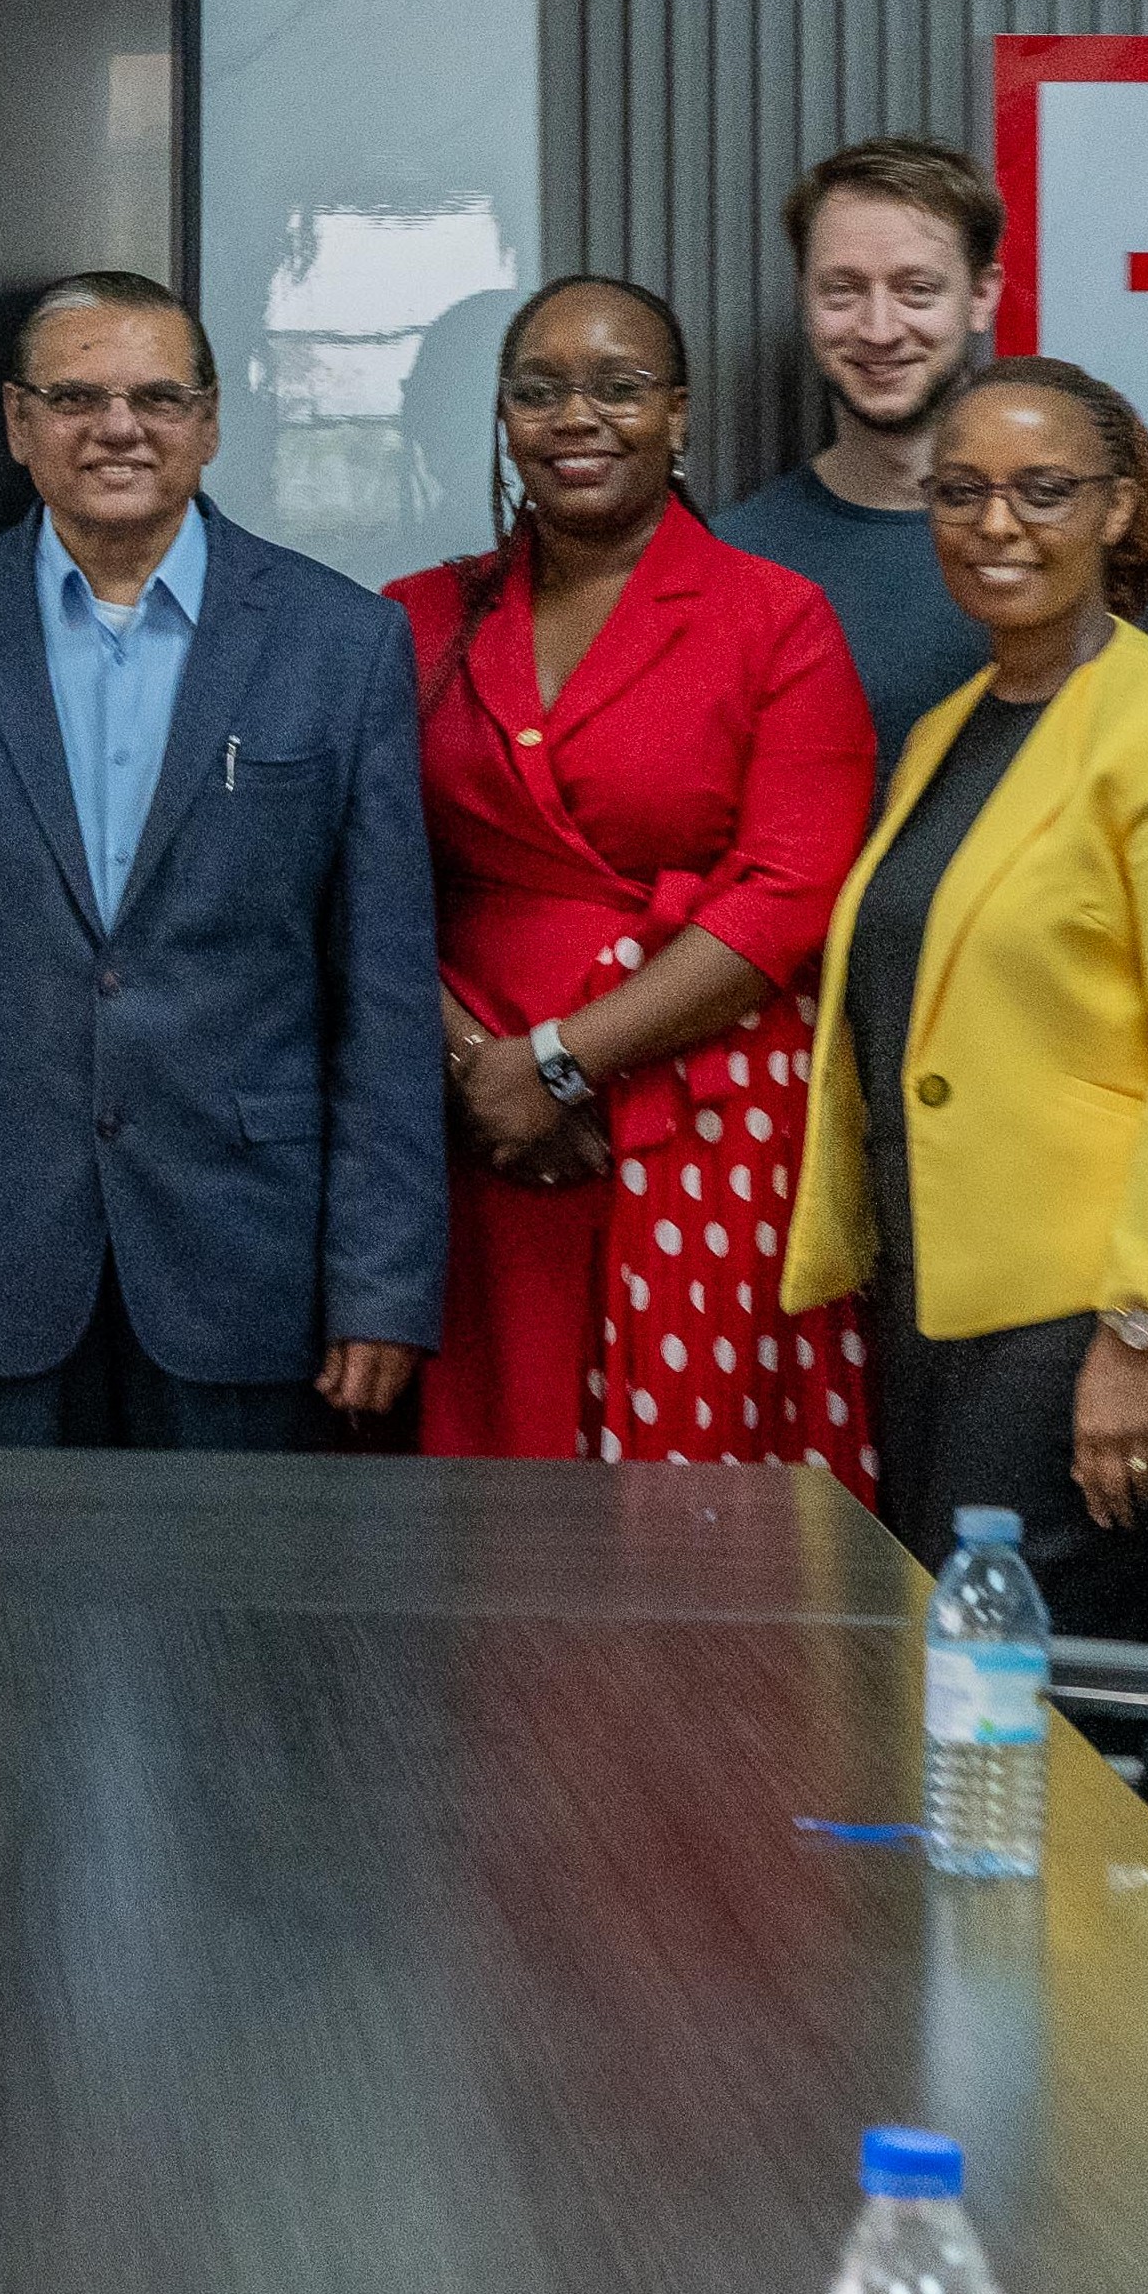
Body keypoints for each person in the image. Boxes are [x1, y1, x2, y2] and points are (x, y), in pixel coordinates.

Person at [0, 272, 437, 1450]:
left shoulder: (344, 641)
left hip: (253, 1255)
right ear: (17, 423)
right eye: (75, 396)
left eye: (158, 397)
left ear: (210, 422)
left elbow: (384, 996)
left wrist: (381, 1281)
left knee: (240, 1625)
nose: (118, 427)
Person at [776, 360, 1148, 1640]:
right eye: (960, 493)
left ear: (1118, 511)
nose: (995, 525)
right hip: (947, 1286)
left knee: (1023, 1689)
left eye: (1042, 490)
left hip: (1109, 1299)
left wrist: (1136, 1333)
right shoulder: (948, 726)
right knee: (957, 1674)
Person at [386, 275, 875, 1467]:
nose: (576, 417)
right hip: (465, 1127)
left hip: (699, 1112)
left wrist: (560, 1061)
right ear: (501, 418)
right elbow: (356, 878)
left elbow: (787, 894)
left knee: (688, 1510)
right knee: (491, 1477)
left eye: (618, 387)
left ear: (679, 414)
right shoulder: (412, 618)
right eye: (537, 390)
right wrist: (478, 1073)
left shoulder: (774, 616)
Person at [714, 135, 1148, 760]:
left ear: (981, 298)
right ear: (806, 298)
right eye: (842, 291)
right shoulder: (740, 560)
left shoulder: (1104, 526)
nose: (879, 330)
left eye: (917, 291)